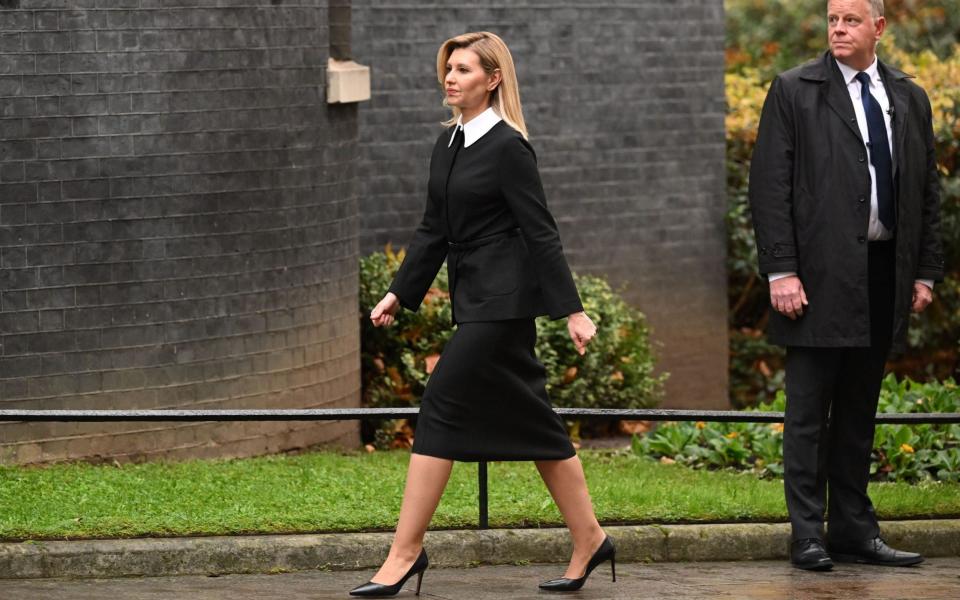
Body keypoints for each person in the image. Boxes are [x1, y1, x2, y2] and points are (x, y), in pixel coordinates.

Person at [349, 31, 615, 596]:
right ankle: (591, 539)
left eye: (464, 69)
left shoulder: (508, 147)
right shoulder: (448, 143)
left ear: (492, 80)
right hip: (474, 299)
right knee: (536, 422)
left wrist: (572, 310)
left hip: (503, 302)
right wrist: (401, 291)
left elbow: (541, 232)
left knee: (440, 401)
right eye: (449, 68)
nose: (451, 77)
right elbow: (433, 228)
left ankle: (404, 553)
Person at [749, 0, 944, 571]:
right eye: (832, 19)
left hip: (883, 273)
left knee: (860, 411)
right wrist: (781, 270)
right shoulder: (793, 89)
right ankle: (807, 535)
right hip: (814, 277)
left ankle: (856, 530)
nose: (838, 28)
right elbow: (768, 186)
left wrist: (924, 269)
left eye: (851, 19)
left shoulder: (908, 95)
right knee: (808, 413)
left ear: (878, 28)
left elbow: (925, 192)